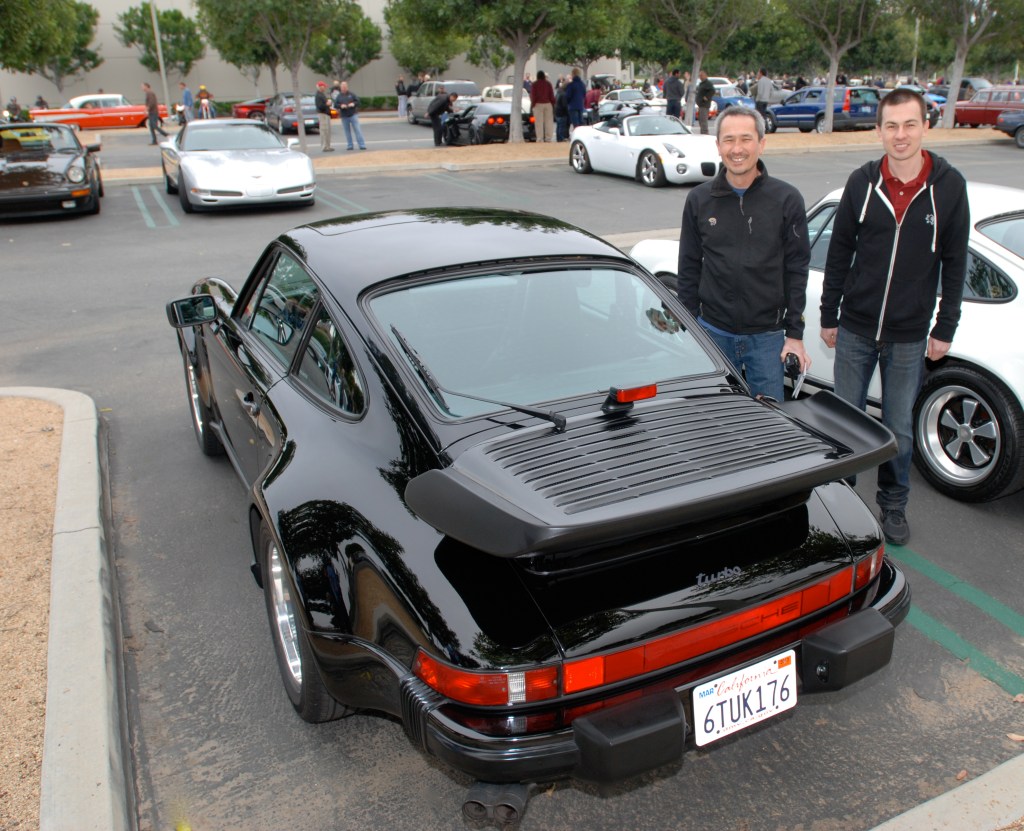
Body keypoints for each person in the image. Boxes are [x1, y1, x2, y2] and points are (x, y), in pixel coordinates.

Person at [820, 88, 970, 545]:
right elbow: (839, 251)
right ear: (879, 130)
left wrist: (945, 327)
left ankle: (894, 505)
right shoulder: (862, 183)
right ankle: (841, 507)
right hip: (856, 328)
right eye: (891, 126)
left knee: (899, 429)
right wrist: (830, 313)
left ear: (925, 125)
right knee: (844, 421)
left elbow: (955, 259)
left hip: (909, 335)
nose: (900, 135)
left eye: (909, 124)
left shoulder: (948, 186)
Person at [677, 105, 811, 402]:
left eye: (746, 139)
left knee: (769, 427)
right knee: (713, 421)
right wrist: (690, 333)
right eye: (729, 140)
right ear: (718, 145)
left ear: (761, 143)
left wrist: (795, 335)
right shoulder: (698, 200)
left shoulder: (787, 199)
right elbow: (688, 269)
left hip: (767, 339)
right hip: (712, 334)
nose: (737, 149)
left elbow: (797, 271)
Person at [333, 81, 366, 151]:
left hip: (353, 114)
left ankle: (362, 144)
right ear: (341, 88)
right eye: (342, 87)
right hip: (344, 116)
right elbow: (335, 105)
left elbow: (358, 102)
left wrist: (353, 104)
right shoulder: (339, 96)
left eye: (345, 87)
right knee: (347, 131)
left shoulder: (352, 94)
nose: (344, 88)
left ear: (347, 87)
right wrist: (341, 106)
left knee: (357, 130)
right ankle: (350, 145)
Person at [530, 70, 555, 142]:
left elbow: (533, 96)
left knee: (538, 123)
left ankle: (540, 138)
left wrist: (533, 104)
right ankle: (548, 138)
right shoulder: (548, 84)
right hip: (548, 104)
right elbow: (551, 95)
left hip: (538, 104)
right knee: (549, 122)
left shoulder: (534, 84)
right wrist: (553, 103)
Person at [694, 70, 715, 134]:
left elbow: (712, 90)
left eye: (701, 75)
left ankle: (705, 134)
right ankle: (702, 133)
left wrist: (706, 97)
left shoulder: (708, 83)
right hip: (700, 105)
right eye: (699, 75)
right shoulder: (702, 83)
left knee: (703, 121)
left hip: (704, 105)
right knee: (700, 120)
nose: (700, 77)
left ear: (705, 75)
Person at [314, 81, 334, 151]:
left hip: (326, 114)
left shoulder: (322, 95)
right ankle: (324, 146)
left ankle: (328, 146)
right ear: (320, 87)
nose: (325, 87)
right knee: (324, 130)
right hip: (323, 114)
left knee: (328, 131)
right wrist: (327, 104)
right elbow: (320, 106)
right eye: (323, 86)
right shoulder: (318, 95)